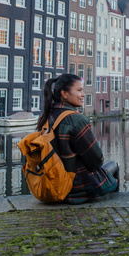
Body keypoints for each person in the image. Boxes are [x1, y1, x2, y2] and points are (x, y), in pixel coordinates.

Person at [37, 73, 119, 204]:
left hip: (53, 183)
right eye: (79, 90)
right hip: (75, 188)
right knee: (114, 165)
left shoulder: (47, 117)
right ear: (64, 93)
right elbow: (97, 161)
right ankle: (114, 206)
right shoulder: (76, 120)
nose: (83, 95)